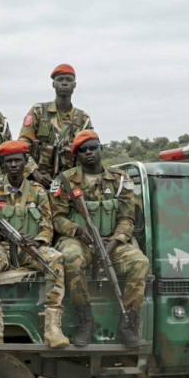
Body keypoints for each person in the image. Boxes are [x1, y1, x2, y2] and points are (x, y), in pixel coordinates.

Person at [50, 130, 148, 348]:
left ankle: (127, 325)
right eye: (82, 150)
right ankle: (85, 321)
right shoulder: (65, 181)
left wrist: (113, 242)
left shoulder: (120, 180)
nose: (88, 153)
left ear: (101, 149)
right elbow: (56, 218)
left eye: (92, 148)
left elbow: (127, 219)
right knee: (71, 257)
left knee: (139, 262)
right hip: (79, 241)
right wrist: (76, 230)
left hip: (111, 242)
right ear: (77, 156)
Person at [0, 140, 69, 348]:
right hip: (1, 249)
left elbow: (47, 224)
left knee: (55, 258)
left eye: (18, 160)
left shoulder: (37, 191)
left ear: (26, 162)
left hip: (28, 249)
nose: (14, 165)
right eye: (9, 161)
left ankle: (53, 326)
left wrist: (38, 240)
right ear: (2, 164)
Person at [18, 64, 93, 188]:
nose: (64, 83)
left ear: (74, 85)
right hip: (36, 183)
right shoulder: (39, 111)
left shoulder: (83, 119)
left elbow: (89, 152)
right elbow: (22, 145)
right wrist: (34, 172)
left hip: (69, 185)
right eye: (60, 80)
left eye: (68, 80)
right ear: (53, 84)